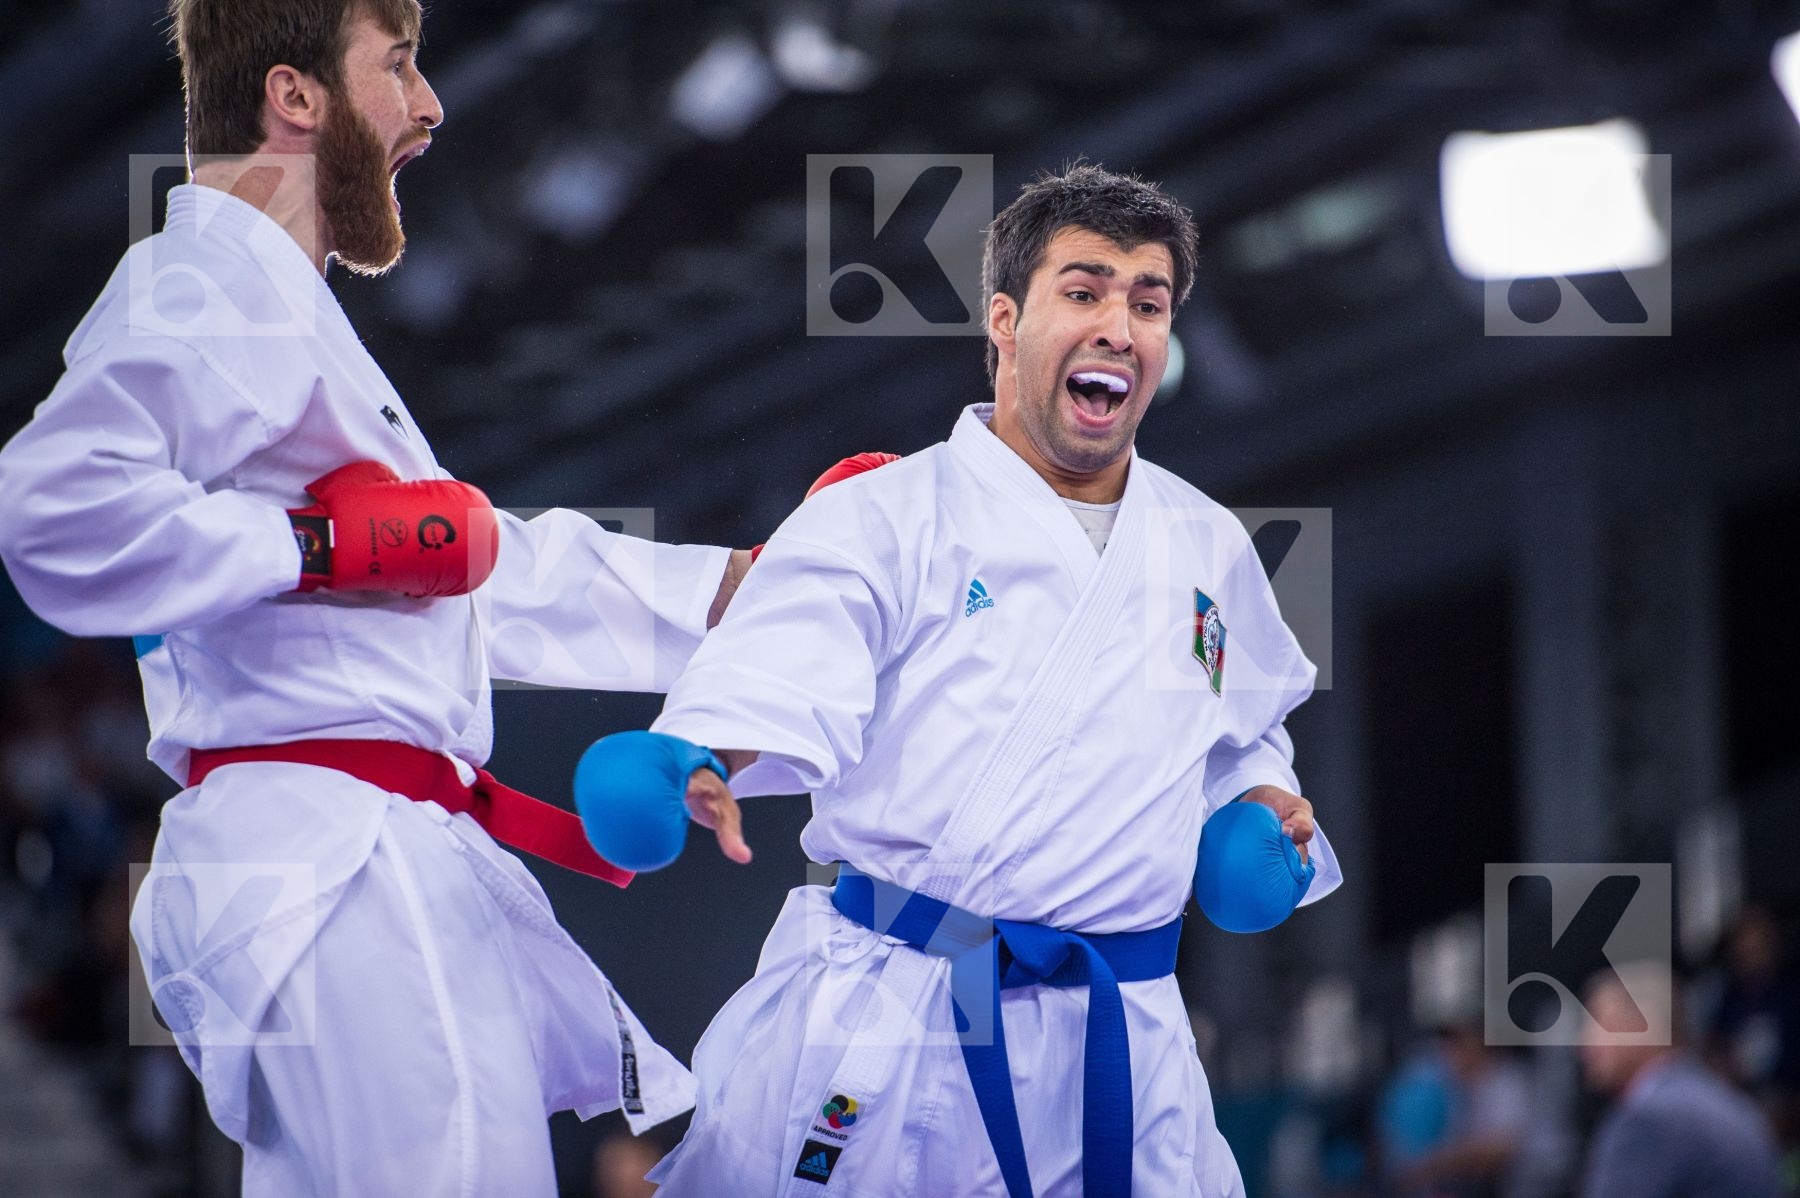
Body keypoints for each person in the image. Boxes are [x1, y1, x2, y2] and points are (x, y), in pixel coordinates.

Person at [0, 1, 753, 1192]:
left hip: (332, 850)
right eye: (397, 66)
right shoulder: (213, 279)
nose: (430, 106)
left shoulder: (279, 309)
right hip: (335, 854)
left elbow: (461, 574)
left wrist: (724, 591)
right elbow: (52, 508)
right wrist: (321, 547)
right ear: (296, 96)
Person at [605, 164, 1343, 1197]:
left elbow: (1242, 727)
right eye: (1083, 292)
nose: (1118, 328)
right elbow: (787, 668)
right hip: (900, 1015)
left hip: (1121, 1037)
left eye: (1147, 304)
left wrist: (1258, 797)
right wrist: (705, 752)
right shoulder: (886, 515)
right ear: (1004, 320)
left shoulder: (1208, 542)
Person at [1578, 960, 1785, 1198]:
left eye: (1598, 1023)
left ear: (1641, 1026)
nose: (1584, 1045)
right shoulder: (1721, 1101)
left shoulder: (1651, 1120)